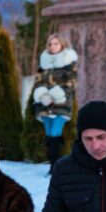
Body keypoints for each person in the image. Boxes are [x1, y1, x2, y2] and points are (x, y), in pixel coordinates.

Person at [32, 34, 78, 166]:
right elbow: (38, 81)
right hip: (44, 105)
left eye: (56, 44)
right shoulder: (44, 62)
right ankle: (52, 165)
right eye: (50, 44)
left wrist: (55, 95)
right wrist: (42, 95)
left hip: (60, 104)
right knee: (48, 135)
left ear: (62, 45)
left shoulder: (68, 62)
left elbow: (71, 83)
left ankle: (56, 166)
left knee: (55, 134)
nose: (52, 46)